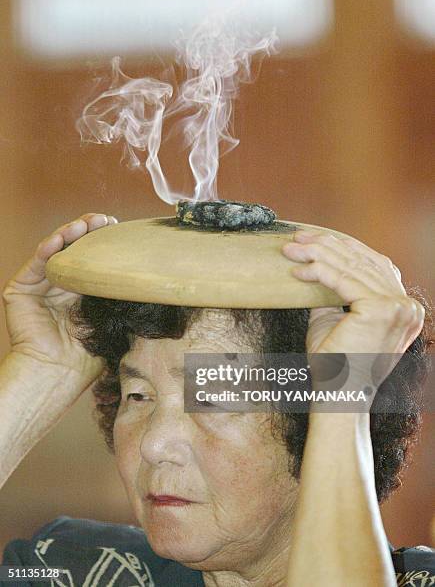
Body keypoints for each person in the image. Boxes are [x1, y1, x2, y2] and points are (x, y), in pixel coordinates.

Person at [0, 213, 434, 587]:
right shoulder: (77, 571)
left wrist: (342, 392)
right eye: (138, 394)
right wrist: (43, 369)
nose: (155, 444)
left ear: (311, 419)